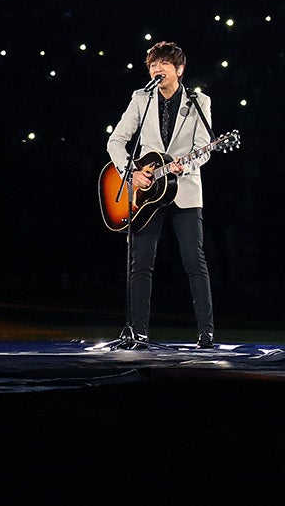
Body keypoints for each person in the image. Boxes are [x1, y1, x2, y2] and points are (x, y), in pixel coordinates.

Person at [105, 40, 216, 349]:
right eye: (153, 64)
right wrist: (131, 172)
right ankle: (138, 332)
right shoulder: (141, 99)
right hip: (146, 194)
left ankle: (206, 333)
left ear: (179, 69)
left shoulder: (198, 101)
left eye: (163, 64)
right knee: (140, 262)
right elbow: (116, 141)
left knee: (195, 260)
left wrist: (188, 164)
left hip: (184, 190)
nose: (157, 69)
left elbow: (205, 147)